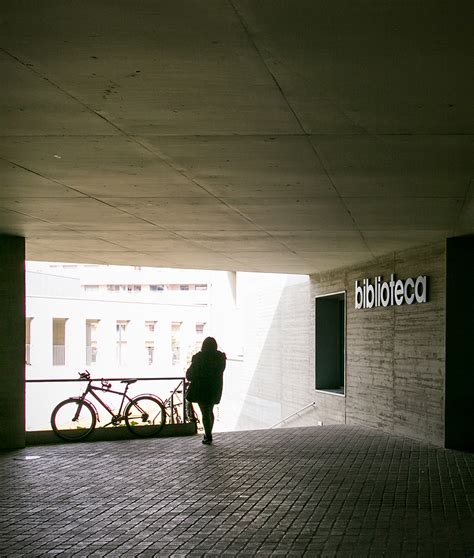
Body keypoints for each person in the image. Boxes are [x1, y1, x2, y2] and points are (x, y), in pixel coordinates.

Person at [185, 336, 226, 445]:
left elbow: (190, 374)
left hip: (201, 388)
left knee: (205, 412)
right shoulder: (220, 358)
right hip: (214, 388)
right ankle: (208, 434)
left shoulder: (199, 358)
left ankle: (208, 435)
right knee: (210, 410)